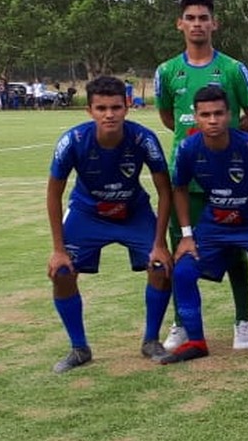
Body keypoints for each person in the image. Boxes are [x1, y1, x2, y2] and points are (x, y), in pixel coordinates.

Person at [153, 0, 248, 352]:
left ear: (214, 23)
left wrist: (229, 140)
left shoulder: (233, 69)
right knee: (180, 249)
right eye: (191, 18)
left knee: (234, 250)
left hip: (228, 177)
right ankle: (182, 322)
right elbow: (169, 117)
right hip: (184, 178)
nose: (197, 24)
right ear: (180, 24)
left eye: (204, 18)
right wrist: (198, 147)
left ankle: (242, 319)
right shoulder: (167, 71)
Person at [45, 76, 173, 373]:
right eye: (101, 108)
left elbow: (165, 190)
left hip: (133, 212)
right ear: (89, 110)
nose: (109, 114)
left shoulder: (144, 139)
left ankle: (151, 341)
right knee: (62, 272)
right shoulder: (72, 141)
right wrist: (57, 249)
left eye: (116, 107)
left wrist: (159, 244)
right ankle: (79, 348)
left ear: (127, 107)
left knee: (161, 267)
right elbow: (54, 194)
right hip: (87, 214)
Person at [163, 85, 248, 365]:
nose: (213, 120)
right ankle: (197, 342)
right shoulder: (188, 148)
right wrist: (187, 236)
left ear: (230, 115)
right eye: (205, 114)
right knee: (184, 271)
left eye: (218, 113)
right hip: (215, 224)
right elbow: (178, 189)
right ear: (196, 116)